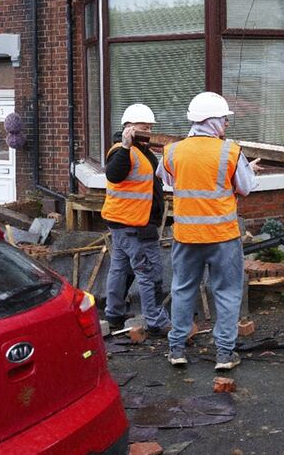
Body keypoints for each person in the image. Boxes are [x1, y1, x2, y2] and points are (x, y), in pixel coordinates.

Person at [157, 92, 260, 371]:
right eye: (224, 119)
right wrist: (248, 170)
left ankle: (177, 349)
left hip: (186, 237)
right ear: (212, 120)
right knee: (226, 293)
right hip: (222, 237)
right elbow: (245, 188)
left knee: (182, 290)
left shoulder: (173, 151)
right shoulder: (230, 151)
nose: (226, 124)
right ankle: (224, 354)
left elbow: (167, 179)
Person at [101, 103, 170, 335]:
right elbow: (113, 174)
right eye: (143, 127)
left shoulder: (142, 151)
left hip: (125, 223)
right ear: (129, 127)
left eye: (150, 127)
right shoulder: (123, 150)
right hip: (136, 225)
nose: (148, 131)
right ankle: (156, 321)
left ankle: (114, 314)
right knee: (149, 272)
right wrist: (126, 146)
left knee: (120, 270)